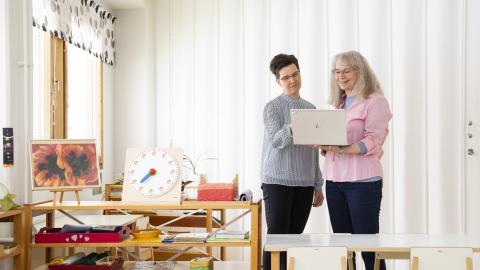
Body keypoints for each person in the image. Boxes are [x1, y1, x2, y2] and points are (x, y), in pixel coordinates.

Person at [315, 51, 392, 270]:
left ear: (361, 71)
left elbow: (374, 141)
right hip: (334, 181)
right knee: (343, 246)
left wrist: (342, 148)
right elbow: (337, 140)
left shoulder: (375, 101)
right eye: (337, 71)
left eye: (346, 71)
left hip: (363, 183)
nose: (341, 76)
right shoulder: (339, 103)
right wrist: (323, 144)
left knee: (368, 245)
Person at [261, 53, 324, 270]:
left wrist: (318, 185)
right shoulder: (272, 107)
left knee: (295, 240)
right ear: (278, 81)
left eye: (295, 74)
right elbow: (278, 141)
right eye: (286, 77)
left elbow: (314, 150)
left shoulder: (312, 108)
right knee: (277, 240)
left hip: (304, 183)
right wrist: (294, 123)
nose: (292, 80)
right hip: (277, 182)